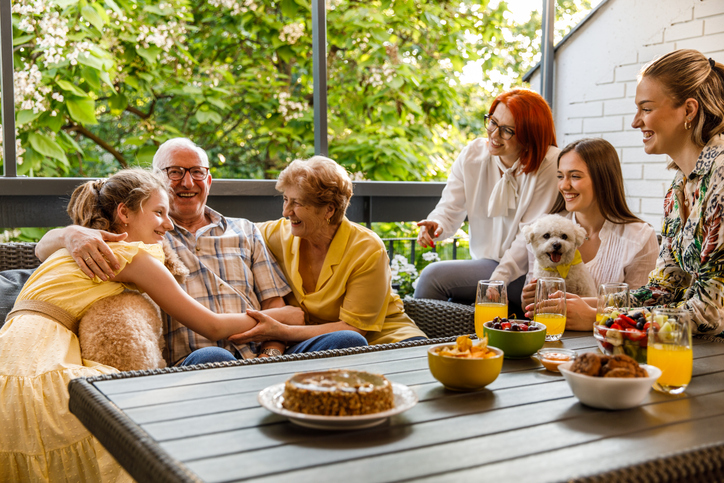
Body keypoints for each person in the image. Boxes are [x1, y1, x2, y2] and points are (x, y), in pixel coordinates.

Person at [0, 169, 292, 481]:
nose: (169, 223)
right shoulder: (132, 257)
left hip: (8, 356)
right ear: (124, 213)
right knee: (138, 433)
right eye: (159, 213)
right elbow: (213, 327)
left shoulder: (74, 247)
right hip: (42, 368)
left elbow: (41, 247)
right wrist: (283, 318)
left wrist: (69, 233)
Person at [35, 138, 367, 366]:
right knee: (215, 360)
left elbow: (281, 311)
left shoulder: (245, 230)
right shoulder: (143, 236)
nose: (187, 182)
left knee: (347, 341)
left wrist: (270, 352)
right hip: (196, 362)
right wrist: (72, 234)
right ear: (157, 182)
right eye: (175, 172)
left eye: (197, 172)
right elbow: (42, 248)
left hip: (265, 355)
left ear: (209, 180)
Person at [229, 156, 428, 348]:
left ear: (329, 210)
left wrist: (281, 331)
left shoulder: (367, 248)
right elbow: (232, 234)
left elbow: (353, 330)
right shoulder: (277, 234)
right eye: (285, 199)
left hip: (387, 339)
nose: (286, 211)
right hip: (322, 344)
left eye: (297, 203)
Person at [413, 88, 560, 313]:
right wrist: (437, 225)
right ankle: (432, 346)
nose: (493, 134)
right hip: (487, 264)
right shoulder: (473, 154)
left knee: (432, 277)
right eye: (492, 122)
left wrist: (499, 277)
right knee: (437, 284)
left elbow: (530, 236)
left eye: (507, 131)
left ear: (530, 135)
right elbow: (449, 206)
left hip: (529, 270)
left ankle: (416, 346)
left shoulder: (549, 163)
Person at [491, 138, 659, 330]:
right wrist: (527, 300)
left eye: (575, 176)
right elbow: (531, 310)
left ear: (603, 179)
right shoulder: (544, 230)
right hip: (549, 341)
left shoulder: (639, 238)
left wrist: (591, 316)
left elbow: (641, 312)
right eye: (560, 176)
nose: (564, 185)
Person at [629, 49, 724, 334]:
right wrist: (601, 305)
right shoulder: (679, 187)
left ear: (689, 110)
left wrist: (611, 320)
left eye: (646, 109)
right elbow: (666, 285)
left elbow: (710, 310)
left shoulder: (721, 175)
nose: (636, 122)